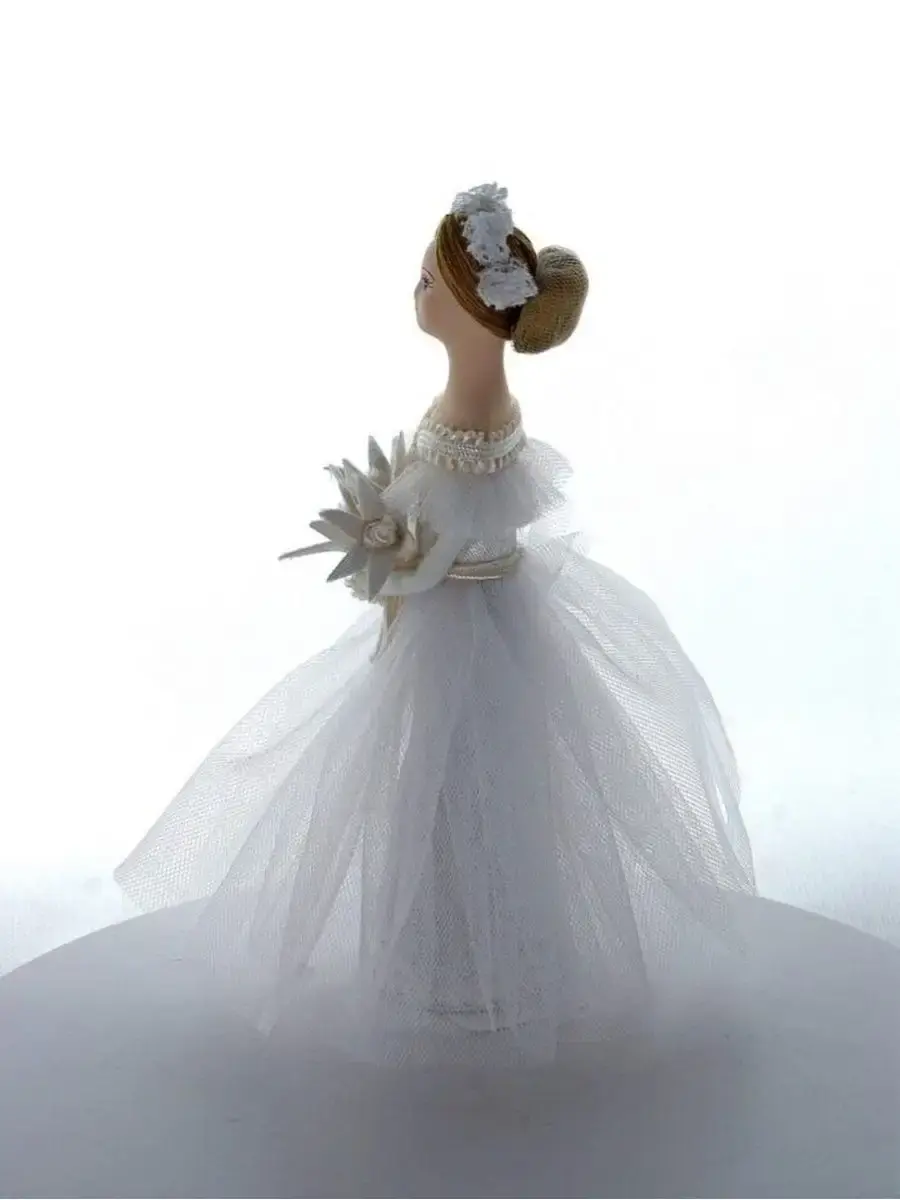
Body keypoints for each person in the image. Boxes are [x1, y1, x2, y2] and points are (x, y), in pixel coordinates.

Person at [115, 183, 755, 1067]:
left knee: (461, 783)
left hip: (464, 627)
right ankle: (458, 957)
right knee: (455, 787)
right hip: (474, 613)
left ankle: (474, 969)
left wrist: (396, 567)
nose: (413, 293)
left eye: (426, 281)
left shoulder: (468, 411)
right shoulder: (477, 400)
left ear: (467, 303)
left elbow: (458, 526)